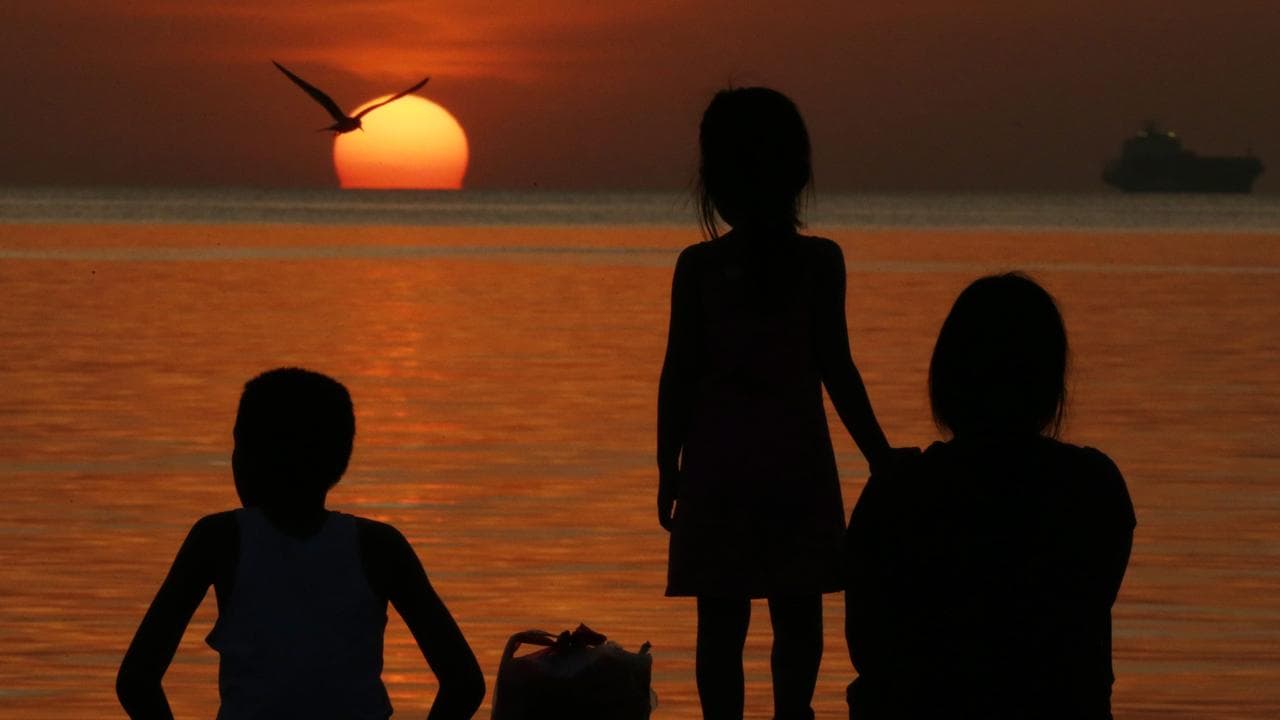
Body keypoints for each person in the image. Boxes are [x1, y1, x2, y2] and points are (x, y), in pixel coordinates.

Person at [657, 86, 894, 720]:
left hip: (719, 464)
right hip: (794, 462)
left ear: (717, 181)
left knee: (722, 617)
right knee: (797, 610)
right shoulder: (818, 262)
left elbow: (678, 376)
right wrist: (878, 455)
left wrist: (668, 466)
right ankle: (793, 714)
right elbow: (837, 369)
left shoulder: (701, 267)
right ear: (797, 175)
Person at [844, 274, 1136, 719]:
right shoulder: (1094, 486)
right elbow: (1086, 613)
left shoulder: (900, 490)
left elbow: (867, 643)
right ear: (1048, 382)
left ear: (947, 377)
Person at [117, 368, 485, 720]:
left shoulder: (218, 539)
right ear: (338, 461)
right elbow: (464, 683)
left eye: (239, 445)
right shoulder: (380, 547)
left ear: (253, 458)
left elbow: (136, 680)